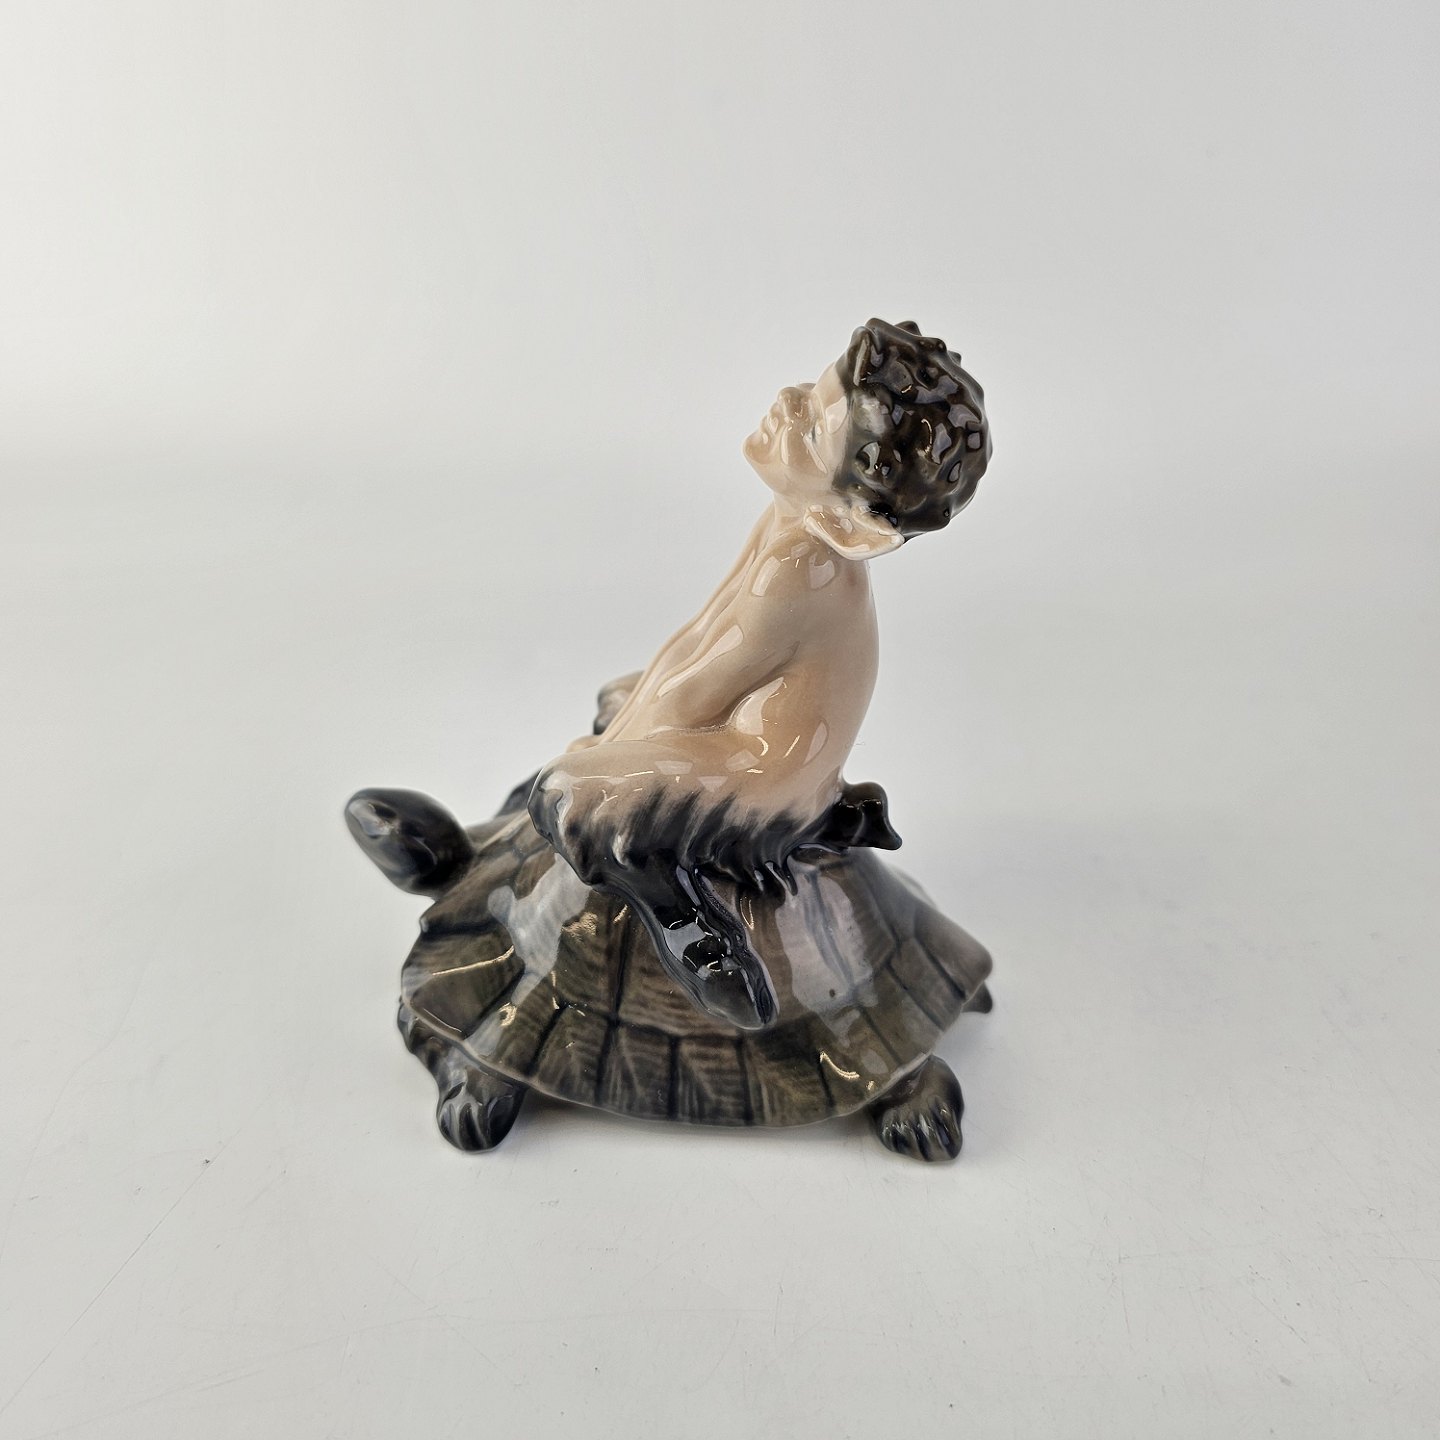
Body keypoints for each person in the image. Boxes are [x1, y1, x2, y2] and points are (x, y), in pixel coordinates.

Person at [528, 319, 992, 1029]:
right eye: (810, 390)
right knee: (619, 699)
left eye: (809, 426)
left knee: (567, 797)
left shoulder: (802, 566)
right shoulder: (794, 525)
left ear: (853, 523)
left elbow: (698, 691)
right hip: (755, 746)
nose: (786, 401)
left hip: (765, 774)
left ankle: (687, 923)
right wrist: (621, 732)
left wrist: (605, 761)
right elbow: (699, 640)